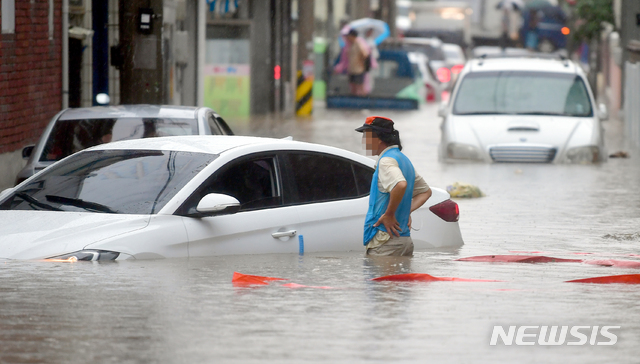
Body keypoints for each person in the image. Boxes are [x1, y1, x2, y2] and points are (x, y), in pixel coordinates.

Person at [355, 116, 432, 256]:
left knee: (380, 278)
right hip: (404, 240)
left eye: (366, 137)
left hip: (386, 242)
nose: (363, 142)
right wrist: (405, 211)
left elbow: (401, 185)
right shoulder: (403, 159)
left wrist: (390, 214)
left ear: (378, 138)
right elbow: (425, 192)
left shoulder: (386, 161)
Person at [334, 28, 371, 96]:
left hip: (358, 69)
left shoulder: (359, 44)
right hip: (352, 69)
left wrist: (361, 63)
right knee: (353, 87)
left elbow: (365, 54)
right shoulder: (350, 44)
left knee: (360, 86)